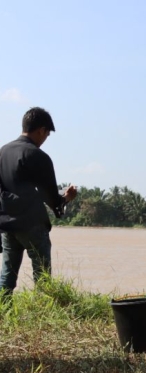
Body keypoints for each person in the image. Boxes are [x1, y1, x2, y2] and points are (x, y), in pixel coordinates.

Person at [0, 107, 77, 295]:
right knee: (42, 277)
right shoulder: (38, 156)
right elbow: (50, 197)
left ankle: (3, 314)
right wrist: (66, 198)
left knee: (6, 278)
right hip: (32, 224)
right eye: (47, 134)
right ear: (41, 130)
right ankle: (42, 312)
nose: (45, 139)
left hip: (7, 224)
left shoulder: (3, 152)